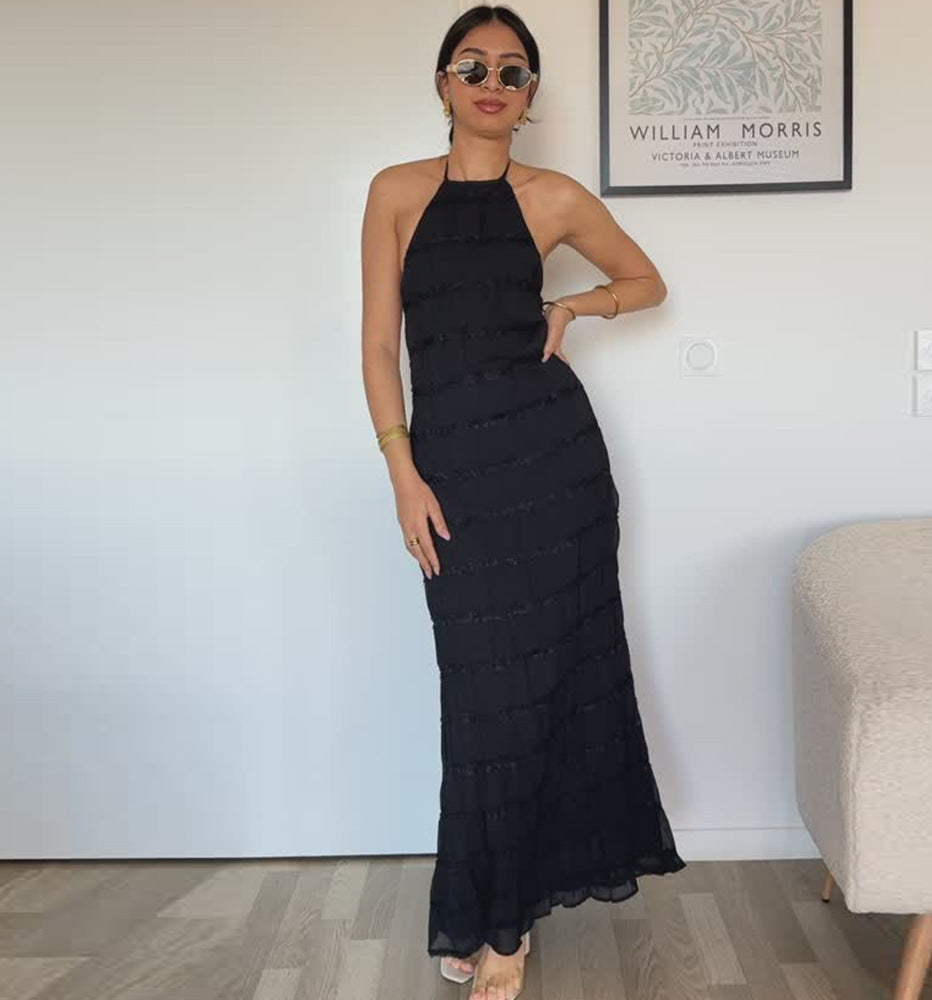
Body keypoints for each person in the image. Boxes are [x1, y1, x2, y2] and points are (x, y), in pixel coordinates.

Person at [360, 6, 686, 999]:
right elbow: (378, 347)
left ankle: (504, 928)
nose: (491, 82)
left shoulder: (554, 198)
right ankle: (483, 902)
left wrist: (575, 304)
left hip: (553, 472)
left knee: (544, 691)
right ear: (443, 83)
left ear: (531, 94)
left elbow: (647, 281)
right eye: (472, 66)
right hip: (453, 479)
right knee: (481, 702)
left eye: (512, 70)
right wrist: (403, 474)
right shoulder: (395, 192)